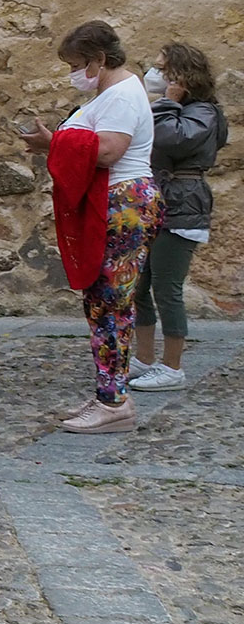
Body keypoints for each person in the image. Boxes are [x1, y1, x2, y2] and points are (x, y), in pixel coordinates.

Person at [20, 20, 161, 433]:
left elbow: (108, 150)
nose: (74, 73)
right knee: (103, 302)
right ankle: (108, 393)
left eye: (79, 64)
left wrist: (54, 143)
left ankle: (114, 402)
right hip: (119, 202)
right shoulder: (115, 91)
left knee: (110, 303)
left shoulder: (120, 95)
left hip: (121, 204)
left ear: (99, 59)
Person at [132, 43, 228, 391]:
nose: (154, 73)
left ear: (181, 76)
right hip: (155, 202)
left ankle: (172, 367)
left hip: (182, 204)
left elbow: (173, 139)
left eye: (161, 68)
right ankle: (143, 360)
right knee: (139, 286)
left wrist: (167, 103)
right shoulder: (170, 109)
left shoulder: (203, 112)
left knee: (166, 287)